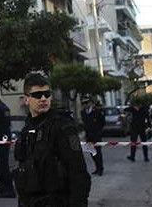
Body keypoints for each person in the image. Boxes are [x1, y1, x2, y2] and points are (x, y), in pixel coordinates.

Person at [14, 73, 90, 207]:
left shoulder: (63, 126)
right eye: (37, 95)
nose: (43, 99)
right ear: (26, 99)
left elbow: (78, 171)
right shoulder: (27, 128)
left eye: (47, 94)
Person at [80, 97, 105, 176]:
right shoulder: (83, 112)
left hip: (96, 135)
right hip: (89, 135)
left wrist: (98, 131)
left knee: (98, 152)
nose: (85, 105)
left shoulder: (97, 111)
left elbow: (102, 122)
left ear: (90, 103)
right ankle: (97, 168)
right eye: (83, 103)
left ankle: (100, 169)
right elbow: (85, 123)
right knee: (92, 152)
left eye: (86, 103)